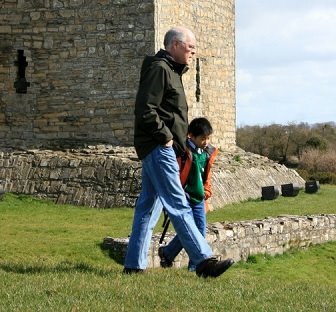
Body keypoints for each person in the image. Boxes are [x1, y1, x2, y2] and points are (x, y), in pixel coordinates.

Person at [123, 26, 234, 278]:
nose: (194, 51)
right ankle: (204, 260)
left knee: (147, 207)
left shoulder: (170, 71)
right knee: (178, 203)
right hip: (159, 148)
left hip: (157, 147)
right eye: (190, 47)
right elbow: (145, 108)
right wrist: (166, 138)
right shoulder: (160, 69)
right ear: (174, 45)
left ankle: (133, 265)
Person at [158, 117, 218, 271]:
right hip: (185, 198)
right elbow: (175, 174)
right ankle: (196, 266)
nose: (206, 142)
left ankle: (168, 253)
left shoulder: (206, 153)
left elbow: (206, 175)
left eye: (208, 138)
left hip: (199, 199)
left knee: (197, 232)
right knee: (194, 231)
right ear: (191, 136)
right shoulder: (182, 151)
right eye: (203, 138)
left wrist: (207, 190)